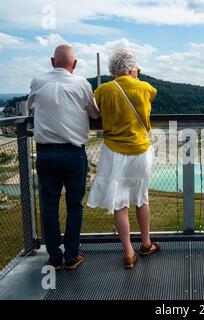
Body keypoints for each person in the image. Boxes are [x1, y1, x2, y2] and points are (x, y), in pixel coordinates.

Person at [27, 44, 100, 270]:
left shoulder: (38, 81)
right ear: (75, 64)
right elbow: (95, 113)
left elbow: (31, 108)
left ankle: (54, 257)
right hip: (73, 153)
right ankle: (71, 255)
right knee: (74, 205)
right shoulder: (82, 84)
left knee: (49, 206)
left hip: (46, 153)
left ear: (52, 61)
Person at [87, 48, 160, 269]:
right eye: (137, 68)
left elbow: (94, 112)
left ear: (113, 70)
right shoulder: (146, 88)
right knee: (142, 198)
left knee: (120, 203)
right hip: (140, 151)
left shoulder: (104, 90)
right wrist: (137, 77)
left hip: (114, 152)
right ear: (131, 68)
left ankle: (128, 253)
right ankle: (146, 243)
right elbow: (149, 96)